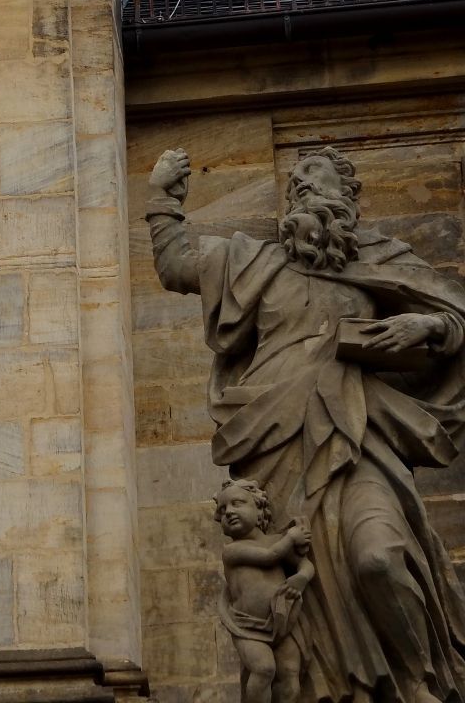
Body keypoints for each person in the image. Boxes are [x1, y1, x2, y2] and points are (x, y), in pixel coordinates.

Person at [148, 146, 465, 703]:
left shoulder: (386, 259)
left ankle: (417, 682)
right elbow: (177, 267)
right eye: (293, 180)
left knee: (378, 557)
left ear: (347, 195)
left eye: (312, 176)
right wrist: (162, 199)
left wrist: (430, 325)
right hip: (272, 441)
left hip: (356, 436)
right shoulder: (253, 261)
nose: (299, 185)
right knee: (296, 588)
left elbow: (456, 316)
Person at [214, 478, 314, 703]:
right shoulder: (232, 550)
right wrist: (292, 537)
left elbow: (305, 564)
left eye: (237, 503)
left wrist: (301, 578)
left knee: (290, 675)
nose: (228, 512)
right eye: (223, 509)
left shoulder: (277, 541)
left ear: (259, 509)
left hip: (283, 621)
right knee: (264, 668)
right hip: (247, 626)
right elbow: (269, 557)